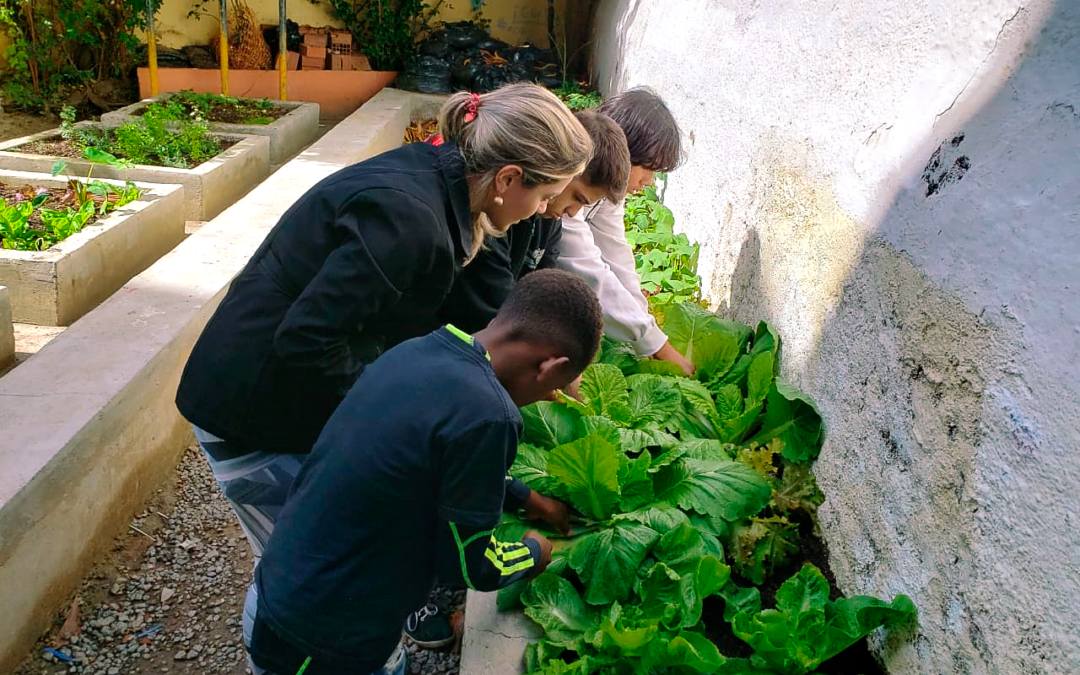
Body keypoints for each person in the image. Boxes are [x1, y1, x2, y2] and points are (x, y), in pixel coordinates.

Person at [174, 83, 592, 566]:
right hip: (253, 406)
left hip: (286, 386)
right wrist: (392, 414)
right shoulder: (410, 221)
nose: (543, 211)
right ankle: (284, 638)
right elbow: (307, 339)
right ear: (508, 179)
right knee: (311, 566)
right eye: (545, 195)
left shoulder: (439, 180)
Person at [245, 270, 605, 675]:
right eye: (557, 386)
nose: (552, 397)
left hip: (286, 588)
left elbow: (427, 462)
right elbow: (470, 566)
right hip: (323, 640)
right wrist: (534, 551)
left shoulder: (419, 350)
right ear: (549, 365)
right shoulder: (490, 416)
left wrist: (526, 496)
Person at [439, 108, 631, 333]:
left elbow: (545, 291)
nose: (573, 212)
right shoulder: (496, 215)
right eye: (577, 197)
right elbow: (501, 318)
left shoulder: (549, 220)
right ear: (564, 169)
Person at [558, 88, 696, 375]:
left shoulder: (606, 191)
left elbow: (616, 256)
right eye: (647, 168)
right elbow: (589, 270)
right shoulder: (562, 192)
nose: (649, 181)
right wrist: (661, 348)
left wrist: (646, 326)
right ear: (622, 149)